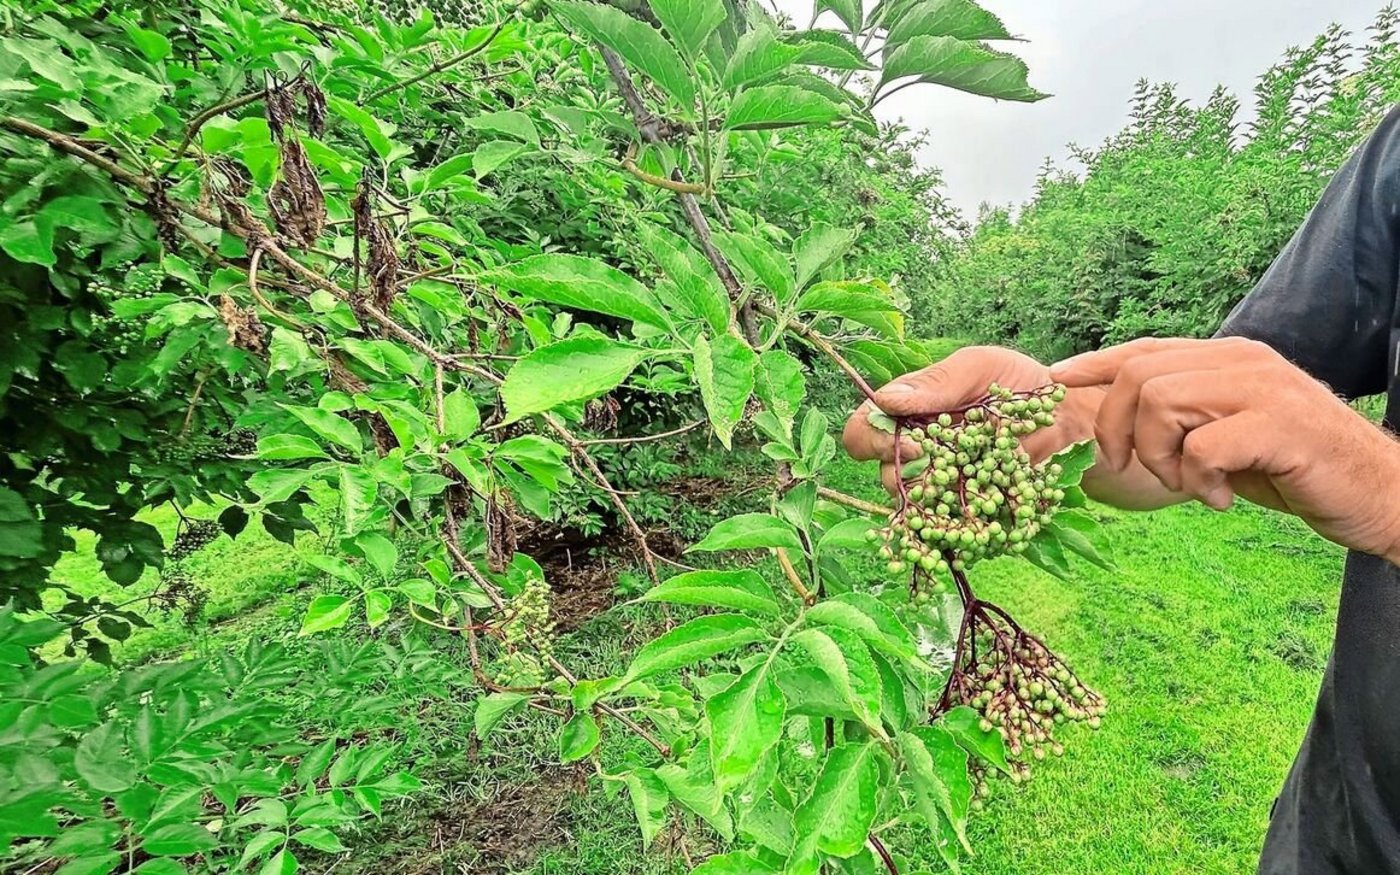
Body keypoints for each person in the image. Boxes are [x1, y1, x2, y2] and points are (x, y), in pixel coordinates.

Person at [842, 108, 1400, 874]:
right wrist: (1051, 414)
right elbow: (1210, 418)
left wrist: (1385, 490)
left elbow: (1348, 460)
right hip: (1336, 827)